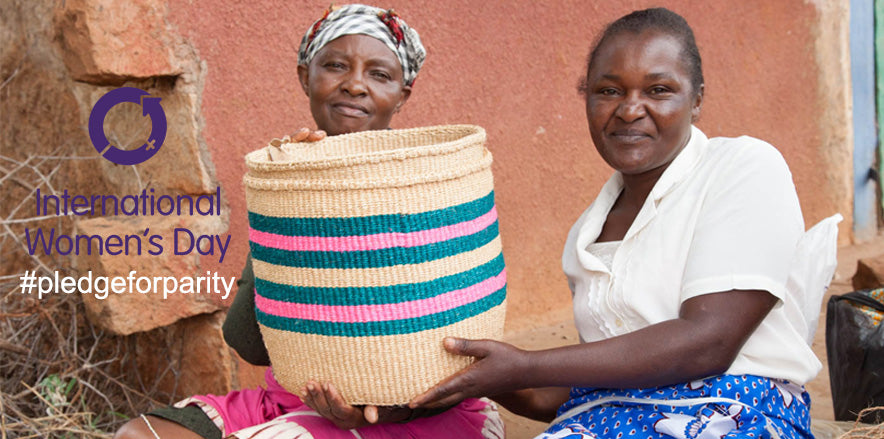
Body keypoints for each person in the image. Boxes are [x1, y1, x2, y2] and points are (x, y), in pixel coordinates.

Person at [409, 8, 821, 439]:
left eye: (658, 90)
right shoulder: (587, 233)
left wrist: (526, 366)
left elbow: (709, 341)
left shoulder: (742, 167)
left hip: (735, 415)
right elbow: (597, 379)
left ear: (696, 99)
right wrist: (485, 376)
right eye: (608, 90)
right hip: (607, 418)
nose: (629, 110)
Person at [114, 5, 503, 439]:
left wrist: (376, 414)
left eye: (379, 74)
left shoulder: (426, 184)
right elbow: (247, 341)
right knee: (138, 434)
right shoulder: (292, 175)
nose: (354, 84)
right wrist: (292, 196)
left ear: (402, 94)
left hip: (419, 413)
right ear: (305, 77)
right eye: (335, 65)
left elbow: (452, 350)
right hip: (295, 398)